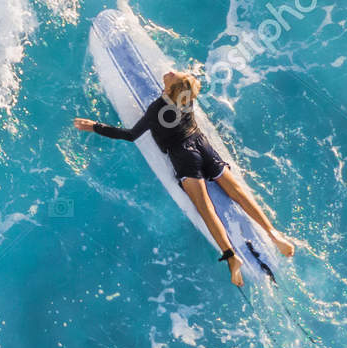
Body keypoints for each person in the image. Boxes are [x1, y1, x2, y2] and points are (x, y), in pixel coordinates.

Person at [74, 70, 295, 287]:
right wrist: (184, 80)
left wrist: (95, 127)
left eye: (173, 76)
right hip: (202, 144)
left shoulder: (156, 109)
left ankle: (231, 256)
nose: (170, 72)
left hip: (184, 155)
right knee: (236, 191)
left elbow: (131, 135)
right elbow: (191, 83)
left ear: (169, 89)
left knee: (205, 207)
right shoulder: (188, 96)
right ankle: (273, 233)